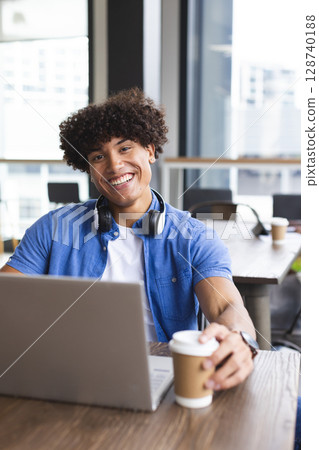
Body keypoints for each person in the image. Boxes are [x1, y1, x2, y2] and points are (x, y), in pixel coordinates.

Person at [0, 87, 257, 392]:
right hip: (67, 373)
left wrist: (238, 338)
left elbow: (227, 308)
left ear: (149, 150)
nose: (114, 165)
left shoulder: (194, 237)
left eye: (125, 148)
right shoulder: (53, 228)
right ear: (89, 170)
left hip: (165, 377)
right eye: (98, 156)